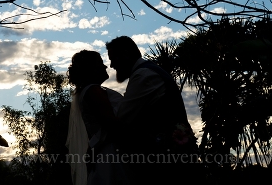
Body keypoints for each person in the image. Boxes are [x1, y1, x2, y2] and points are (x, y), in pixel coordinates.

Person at [106, 36, 197, 185]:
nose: (112, 65)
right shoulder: (149, 70)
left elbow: (123, 117)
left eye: (113, 58)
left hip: (167, 161)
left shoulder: (143, 75)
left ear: (126, 54)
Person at [66, 50, 130, 185]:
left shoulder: (89, 91)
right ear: (92, 68)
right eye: (100, 63)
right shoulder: (93, 90)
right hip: (111, 154)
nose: (105, 66)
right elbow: (111, 123)